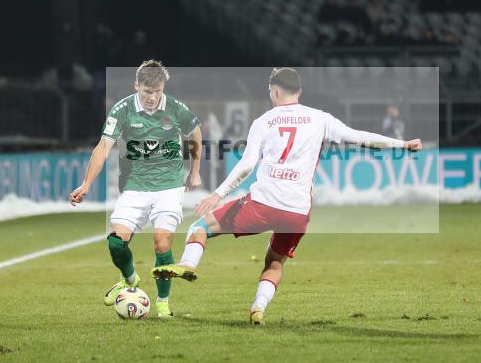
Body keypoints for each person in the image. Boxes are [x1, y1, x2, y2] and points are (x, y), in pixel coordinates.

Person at [152, 67, 422, 325]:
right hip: (297, 212)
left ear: (274, 91)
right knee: (275, 261)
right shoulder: (320, 118)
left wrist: (218, 194)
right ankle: (258, 308)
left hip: (262, 204)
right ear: (299, 92)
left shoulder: (264, 121)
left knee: (200, 228)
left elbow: (247, 165)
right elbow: (358, 137)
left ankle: (188, 263)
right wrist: (402, 144)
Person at [69, 60, 202, 318]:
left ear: (163, 87)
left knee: (162, 244)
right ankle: (130, 280)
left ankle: (163, 303)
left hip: (169, 186)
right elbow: (104, 147)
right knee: (116, 244)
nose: (152, 98)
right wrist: (86, 184)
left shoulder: (175, 109)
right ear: (136, 85)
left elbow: (195, 132)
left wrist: (194, 171)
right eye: (146, 92)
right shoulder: (122, 110)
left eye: (157, 92)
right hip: (134, 187)